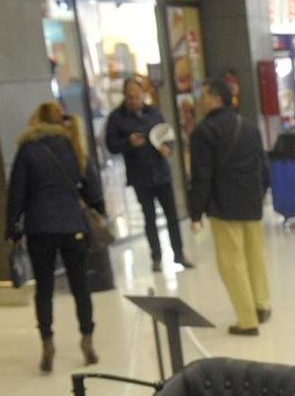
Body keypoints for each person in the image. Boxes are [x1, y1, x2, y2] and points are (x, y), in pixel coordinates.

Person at [6, 100, 104, 373]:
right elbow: (92, 188)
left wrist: (13, 230)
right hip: (72, 225)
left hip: (40, 228)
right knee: (80, 286)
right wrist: (98, 210)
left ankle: (47, 343)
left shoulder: (28, 149)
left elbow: (16, 193)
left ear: (38, 120)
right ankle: (87, 339)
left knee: (45, 289)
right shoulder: (74, 145)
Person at [187, 79, 272, 335]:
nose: (200, 101)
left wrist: (195, 212)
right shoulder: (247, 126)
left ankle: (247, 321)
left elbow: (202, 175)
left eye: (205, 96)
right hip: (250, 201)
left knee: (231, 262)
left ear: (217, 99)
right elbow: (263, 166)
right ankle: (261, 305)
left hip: (224, 204)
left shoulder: (205, 132)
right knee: (255, 256)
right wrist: (260, 193)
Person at [103, 75, 190, 272]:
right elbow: (111, 145)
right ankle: (156, 257)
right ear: (125, 97)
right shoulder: (117, 118)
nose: (134, 101)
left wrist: (168, 148)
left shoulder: (154, 113)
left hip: (161, 172)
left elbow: (167, 135)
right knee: (149, 217)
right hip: (139, 175)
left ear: (143, 95)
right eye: (130, 97)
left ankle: (179, 254)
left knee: (172, 215)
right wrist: (128, 143)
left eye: (137, 96)